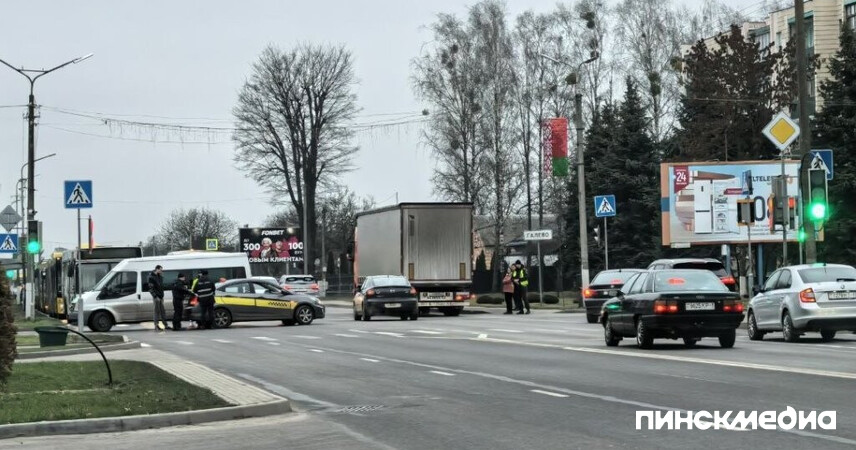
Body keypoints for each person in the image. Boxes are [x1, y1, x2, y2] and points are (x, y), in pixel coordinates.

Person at [147, 265, 171, 331]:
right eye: (160, 270)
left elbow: (161, 287)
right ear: (157, 269)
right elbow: (150, 288)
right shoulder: (151, 277)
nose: (161, 271)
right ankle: (156, 326)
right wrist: (155, 296)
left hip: (161, 296)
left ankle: (165, 325)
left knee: (163, 311)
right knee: (156, 311)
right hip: (156, 297)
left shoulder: (160, 277)